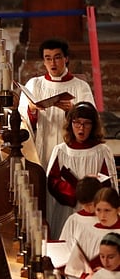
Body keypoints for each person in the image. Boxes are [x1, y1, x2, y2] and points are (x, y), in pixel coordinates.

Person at [18, 38, 94, 170]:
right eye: (48, 58)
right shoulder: (34, 84)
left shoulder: (81, 87)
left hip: (71, 147)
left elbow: (92, 119)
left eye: (57, 58)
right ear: (43, 61)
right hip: (44, 143)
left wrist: (72, 110)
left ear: (66, 59)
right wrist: (32, 110)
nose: (52, 63)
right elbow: (21, 120)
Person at [46, 102, 116, 239]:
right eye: (77, 123)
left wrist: (90, 191)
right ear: (70, 124)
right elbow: (52, 182)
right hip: (66, 210)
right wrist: (75, 191)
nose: (81, 128)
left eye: (86, 123)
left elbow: (109, 183)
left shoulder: (102, 151)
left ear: (93, 126)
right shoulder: (61, 151)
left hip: (94, 211)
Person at [76, 187, 120, 266]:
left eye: (107, 210)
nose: (102, 215)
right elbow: (77, 263)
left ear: (118, 210)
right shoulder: (88, 231)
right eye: (98, 210)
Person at [59, 176, 103, 249]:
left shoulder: (109, 218)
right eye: (84, 205)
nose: (87, 208)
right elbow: (64, 246)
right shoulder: (74, 220)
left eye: (90, 204)